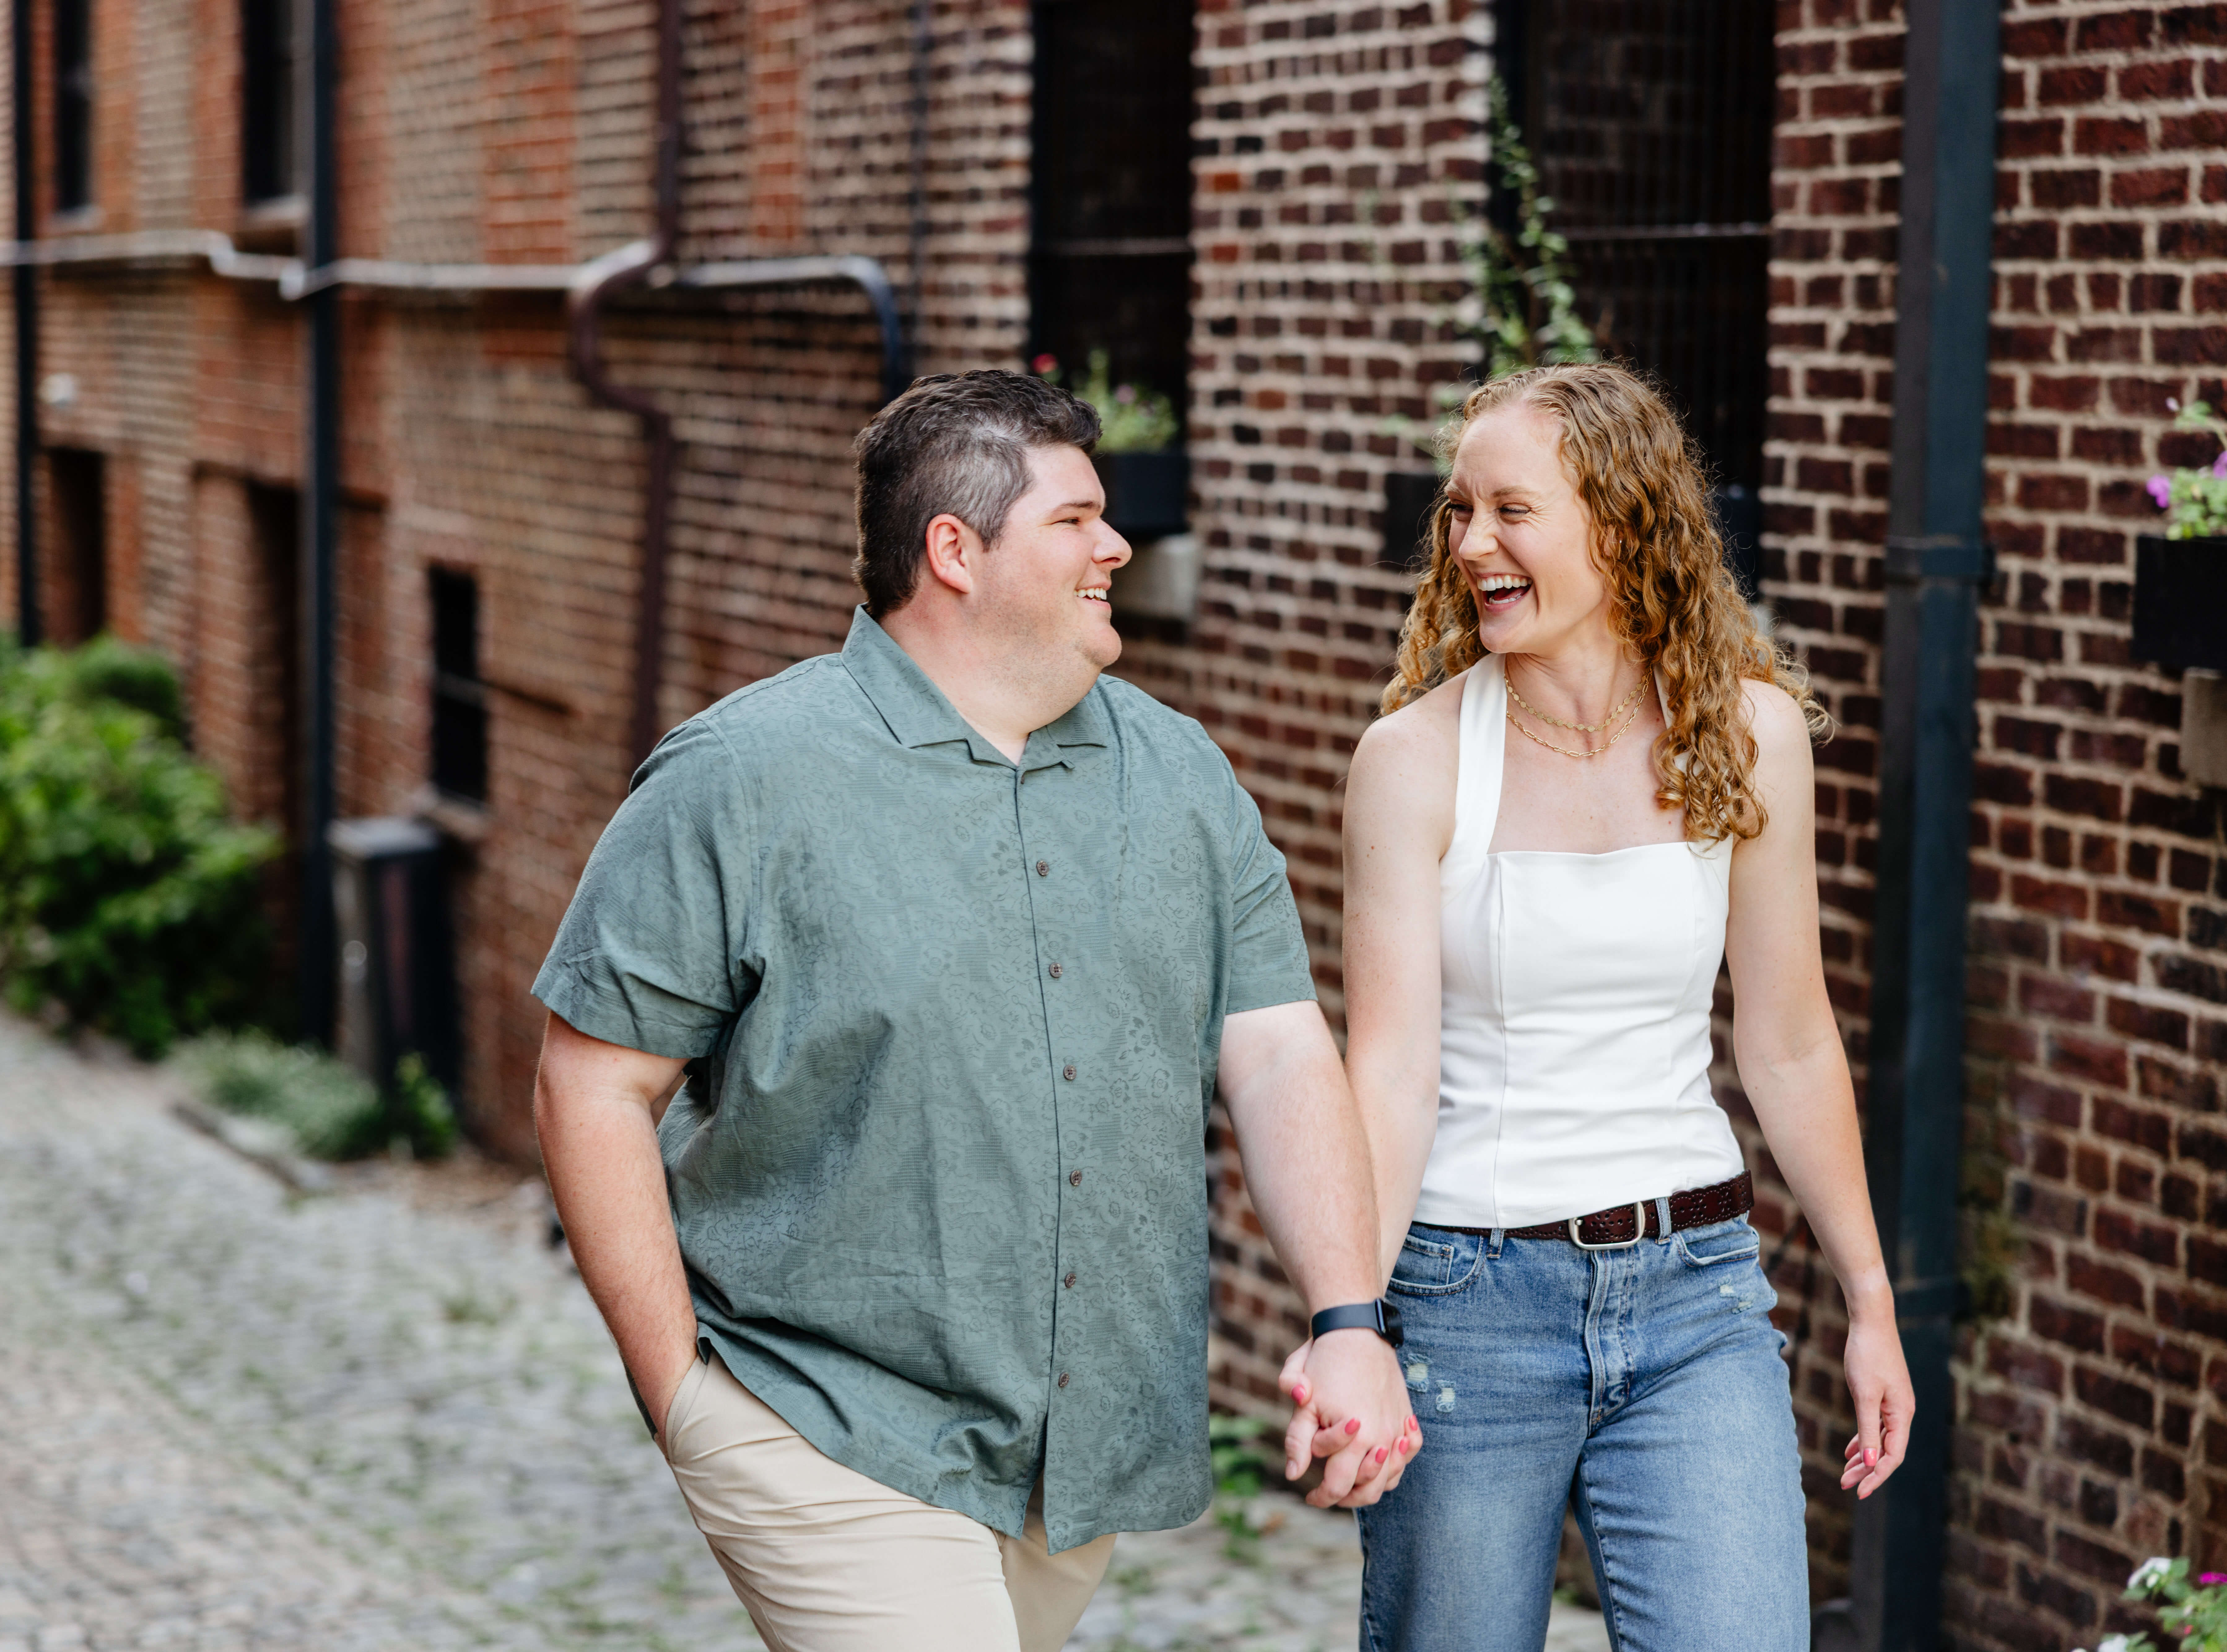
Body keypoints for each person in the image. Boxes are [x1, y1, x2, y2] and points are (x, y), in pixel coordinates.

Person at [530, 369, 1415, 1652]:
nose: (1116, 544)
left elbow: (1278, 1048)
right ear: (954, 549)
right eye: (1074, 519)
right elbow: (591, 1080)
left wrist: (1347, 1321)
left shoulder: (1179, 775)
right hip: (821, 1417)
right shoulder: (743, 777)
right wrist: (682, 1394)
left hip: (1070, 1466)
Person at [1314, 362, 1915, 1651]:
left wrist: (1868, 1297)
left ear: (1618, 517)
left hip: (1697, 1291)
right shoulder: (1412, 762)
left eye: (1509, 509)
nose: (1471, 542)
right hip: (1469, 1292)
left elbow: (1787, 1035)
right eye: (1459, 512)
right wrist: (1351, 1320)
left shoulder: (1741, 734)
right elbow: (1389, 1067)